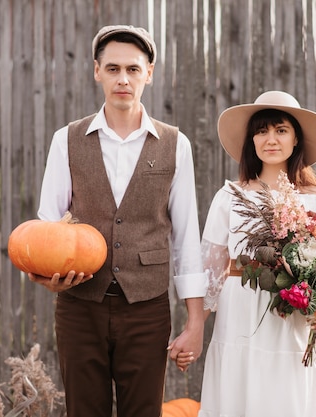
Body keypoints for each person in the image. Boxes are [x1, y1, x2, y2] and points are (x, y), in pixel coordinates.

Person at [28, 25, 207, 417]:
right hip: (79, 306)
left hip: (147, 308)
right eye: (112, 69)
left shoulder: (176, 144)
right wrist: (44, 275)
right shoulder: (67, 140)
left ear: (149, 73)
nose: (123, 79)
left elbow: (186, 239)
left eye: (132, 69)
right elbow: (45, 229)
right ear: (97, 72)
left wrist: (195, 321)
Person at [188, 91, 316, 416]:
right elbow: (210, 272)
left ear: (296, 138)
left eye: (281, 130)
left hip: (292, 319)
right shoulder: (230, 196)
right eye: (261, 131)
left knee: (288, 396)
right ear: (251, 140)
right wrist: (194, 326)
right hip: (240, 313)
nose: (271, 139)